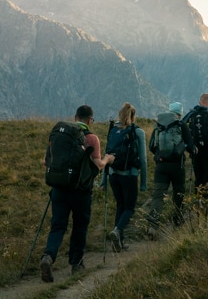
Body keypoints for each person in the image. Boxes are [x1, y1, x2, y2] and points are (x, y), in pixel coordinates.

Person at [40, 105, 115, 282]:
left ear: (75, 117)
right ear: (90, 120)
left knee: (58, 226)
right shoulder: (92, 138)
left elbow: (46, 161)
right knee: (80, 226)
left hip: (59, 188)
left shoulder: (60, 135)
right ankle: (76, 264)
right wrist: (108, 159)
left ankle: (48, 257)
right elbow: (97, 165)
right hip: (81, 191)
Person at [104, 102, 147, 252]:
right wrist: (143, 183)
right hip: (129, 175)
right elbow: (143, 159)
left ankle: (119, 242)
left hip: (113, 174)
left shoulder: (113, 130)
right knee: (129, 208)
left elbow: (107, 154)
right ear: (133, 116)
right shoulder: (137, 131)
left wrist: (103, 180)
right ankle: (117, 231)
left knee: (120, 206)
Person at [146, 102, 193, 239]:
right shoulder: (181, 125)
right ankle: (177, 221)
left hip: (161, 166)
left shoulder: (159, 125)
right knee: (178, 193)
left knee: (158, 196)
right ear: (179, 113)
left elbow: (151, 147)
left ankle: (152, 226)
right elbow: (189, 146)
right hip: (177, 166)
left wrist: (160, 156)